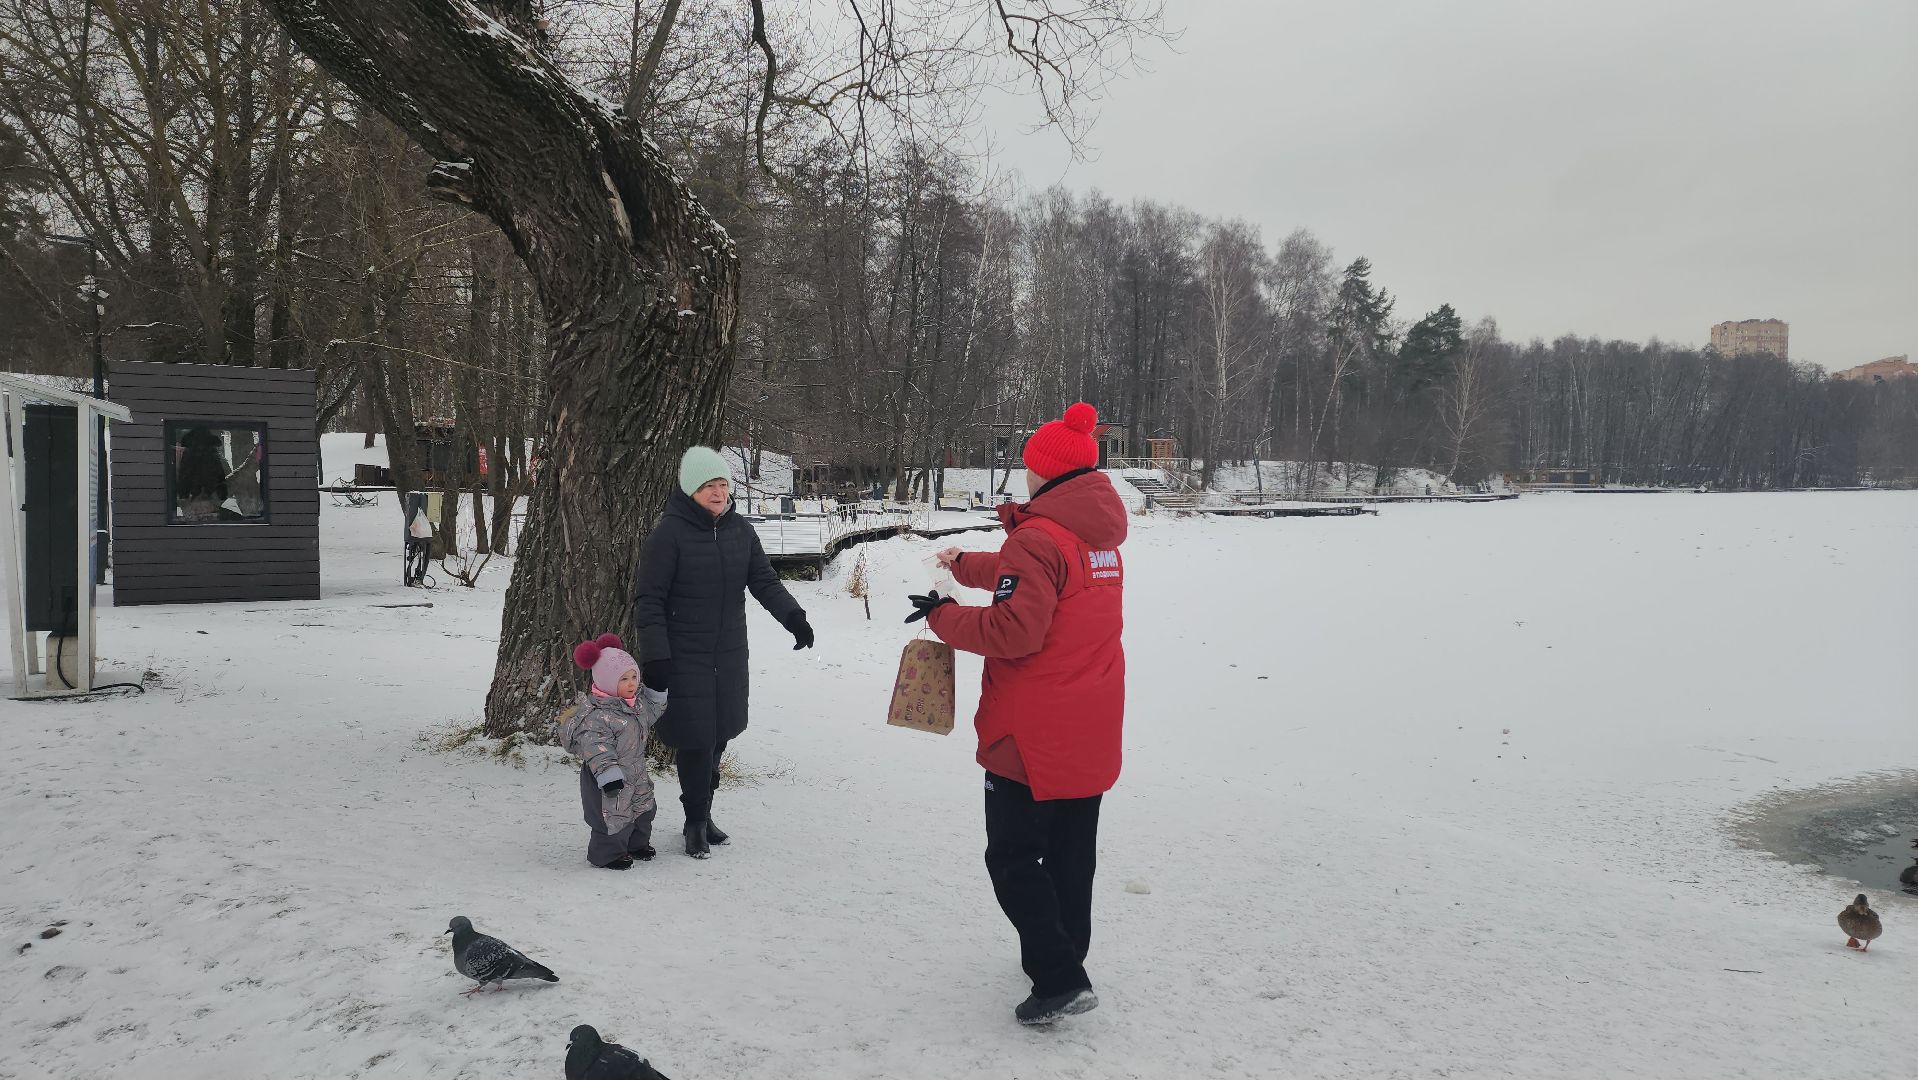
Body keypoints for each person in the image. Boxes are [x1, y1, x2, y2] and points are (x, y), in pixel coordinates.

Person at [907, 402, 1127, 1026]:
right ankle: (1064, 951)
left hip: (1028, 733)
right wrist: (964, 564)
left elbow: (1015, 629)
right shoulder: (1096, 536)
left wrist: (942, 618)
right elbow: (1029, 574)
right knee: (1070, 853)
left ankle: (1059, 978)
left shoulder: (1037, 538)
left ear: (1042, 473)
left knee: (1011, 856)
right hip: (1089, 723)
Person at [633, 446, 814, 858]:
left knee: (719, 736)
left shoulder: (740, 531)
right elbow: (649, 601)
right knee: (695, 739)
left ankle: (705, 813)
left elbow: (764, 581)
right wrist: (656, 657)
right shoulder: (668, 535)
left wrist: (794, 617)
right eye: (707, 486)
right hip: (684, 656)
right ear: (689, 490)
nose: (717, 493)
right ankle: (694, 821)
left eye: (722, 485)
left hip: (729, 653)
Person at [557, 634, 665, 870]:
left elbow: (652, 710)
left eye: (634, 677)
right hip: (608, 776)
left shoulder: (635, 704)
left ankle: (636, 844)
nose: (631, 683)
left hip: (636, 771)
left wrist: (657, 691)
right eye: (624, 679)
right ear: (606, 681)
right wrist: (608, 774)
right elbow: (597, 747)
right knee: (613, 815)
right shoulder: (596, 715)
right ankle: (607, 854)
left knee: (643, 807)